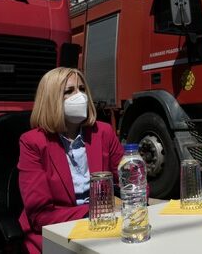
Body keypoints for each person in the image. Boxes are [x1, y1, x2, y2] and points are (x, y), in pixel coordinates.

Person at [18, 67, 124, 254]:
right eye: (69, 91)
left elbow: (130, 180)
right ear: (51, 99)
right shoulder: (32, 142)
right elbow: (40, 215)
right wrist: (94, 212)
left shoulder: (104, 132)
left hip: (105, 226)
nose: (80, 96)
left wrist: (132, 199)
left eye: (82, 89)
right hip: (57, 233)